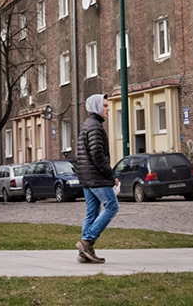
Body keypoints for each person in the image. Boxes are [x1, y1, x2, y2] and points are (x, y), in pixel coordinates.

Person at [75, 94, 118, 263]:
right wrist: (111, 175)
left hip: (87, 177)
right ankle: (87, 241)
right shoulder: (95, 128)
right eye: (105, 106)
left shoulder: (88, 125)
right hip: (96, 177)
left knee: (92, 212)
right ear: (96, 107)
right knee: (112, 207)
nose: (107, 109)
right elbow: (97, 155)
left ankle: (84, 254)